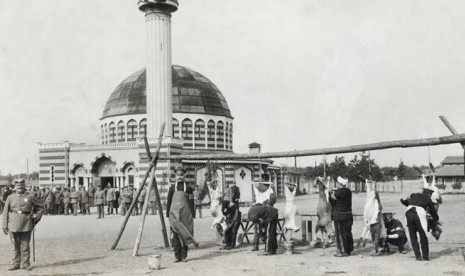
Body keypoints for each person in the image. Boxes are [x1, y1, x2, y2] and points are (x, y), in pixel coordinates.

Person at [2, 180, 44, 271]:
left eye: (21, 185)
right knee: (15, 246)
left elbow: (41, 207)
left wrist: (36, 217)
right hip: (12, 224)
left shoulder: (30, 196)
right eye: (18, 185)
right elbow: (5, 212)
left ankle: (26, 264)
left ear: (24, 186)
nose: (20, 187)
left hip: (26, 223)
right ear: (15, 187)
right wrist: (4, 225)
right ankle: (16, 264)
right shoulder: (10, 197)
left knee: (25, 246)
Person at [166, 166, 197, 263]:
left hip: (185, 214)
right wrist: (168, 214)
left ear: (184, 176)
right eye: (178, 175)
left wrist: (193, 213)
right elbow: (169, 201)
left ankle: (184, 256)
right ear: (175, 176)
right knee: (175, 236)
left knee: (185, 234)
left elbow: (191, 201)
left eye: (182, 175)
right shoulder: (172, 188)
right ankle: (177, 256)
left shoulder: (188, 188)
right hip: (174, 214)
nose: (180, 177)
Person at [400, 187, 439, 261]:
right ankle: (425, 256)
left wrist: (402, 200)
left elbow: (407, 203)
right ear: (429, 193)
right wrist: (436, 219)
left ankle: (417, 256)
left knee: (413, 236)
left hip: (408, 213)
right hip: (418, 214)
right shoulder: (427, 198)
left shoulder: (414, 195)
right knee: (423, 235)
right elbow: (432, 210)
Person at [248, 182, 279, 255]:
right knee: (270, 232)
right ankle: (273, 249)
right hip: (268, 212)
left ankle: (268, 250)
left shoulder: (254, 212)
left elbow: (261, 219)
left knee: (269, 232)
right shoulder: (254, 211)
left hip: (271, 213)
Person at [329, 176, 354, 257]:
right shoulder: (349, 191)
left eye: (337, 183)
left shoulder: (339, 192)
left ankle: (342, 251)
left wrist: (330, 192)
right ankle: (350, 250)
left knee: (340, 233)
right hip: (348, 215)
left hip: (340, 215)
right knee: (348, 233)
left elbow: (332, 200)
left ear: (340, 183)